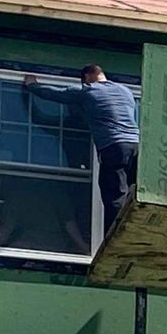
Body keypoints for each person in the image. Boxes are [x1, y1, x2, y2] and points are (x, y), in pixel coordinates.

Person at [23, 65, 140, 236]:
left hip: (114, 147)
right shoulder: (126, 91)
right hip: (136, 146)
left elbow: (55, 94)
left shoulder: (88, 92)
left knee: (114, 196)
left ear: (87, 77)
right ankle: (138, 230)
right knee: (134, 192)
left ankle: (115, 236)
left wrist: (32, 86)